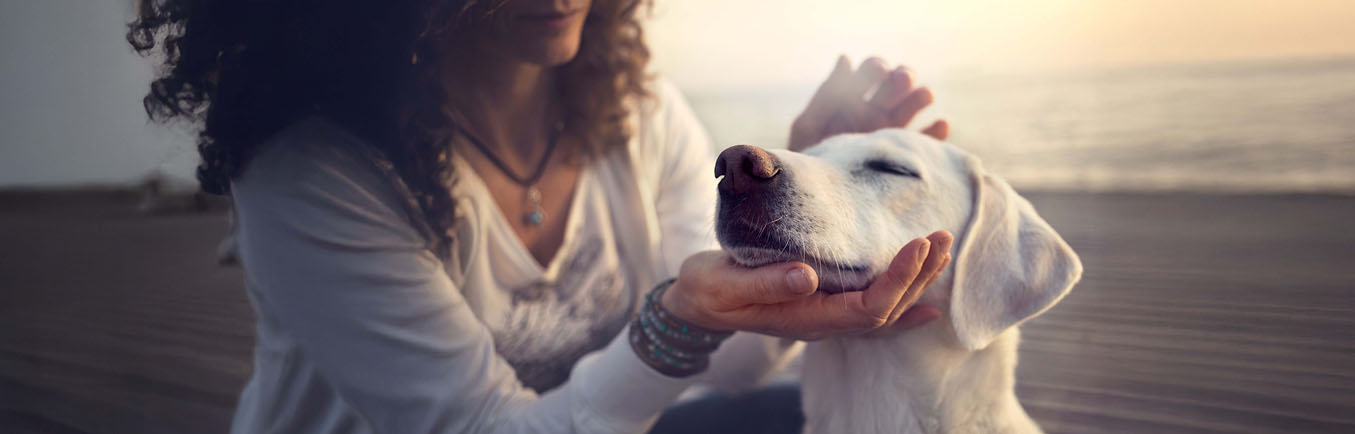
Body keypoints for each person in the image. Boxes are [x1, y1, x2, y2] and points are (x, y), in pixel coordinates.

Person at [128, 0, 954, 432]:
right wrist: (676, 319)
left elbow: (731, 369)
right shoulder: (309, 172)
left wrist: (785, 205)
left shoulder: (638, 111)